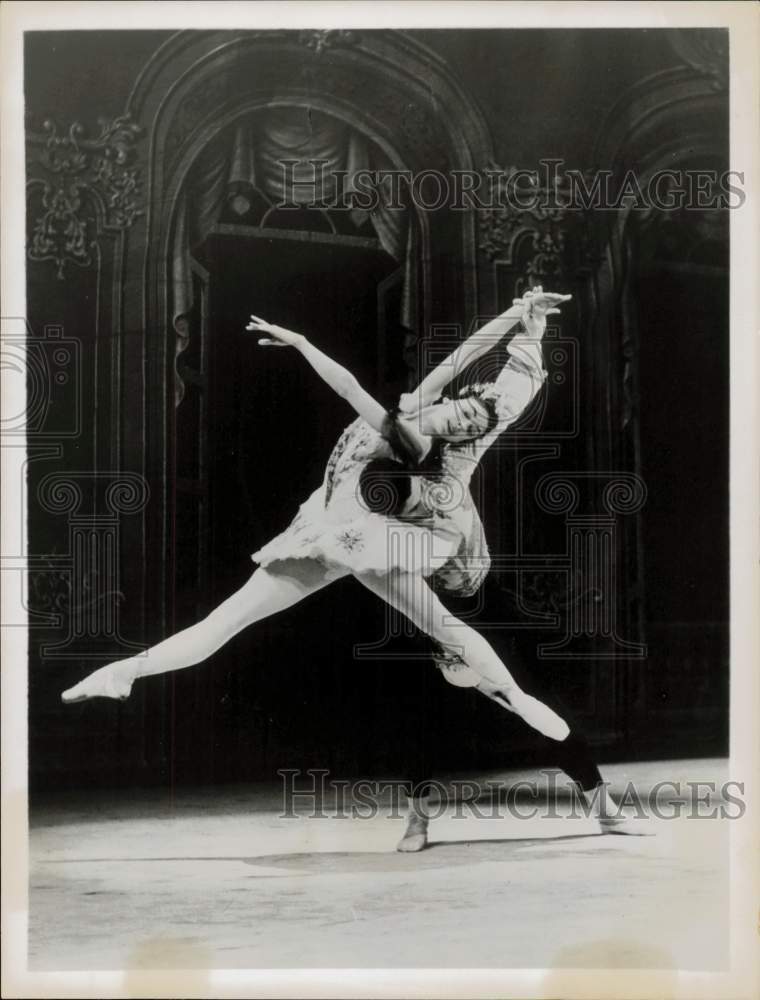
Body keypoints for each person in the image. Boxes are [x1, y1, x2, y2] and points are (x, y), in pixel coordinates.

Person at [61, 287, 576, 749]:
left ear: (457, 436)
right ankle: (127, 670)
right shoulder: (424, 403)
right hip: (322, 529)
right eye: (463, 408)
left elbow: (351, 390)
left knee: (439, 623)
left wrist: (305, 345)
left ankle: (513, 695)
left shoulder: (413, 438)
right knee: (227, 620)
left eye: (464, 423)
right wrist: (514, 315)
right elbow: (466, 355)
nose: (457, 414)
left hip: (373, 537)